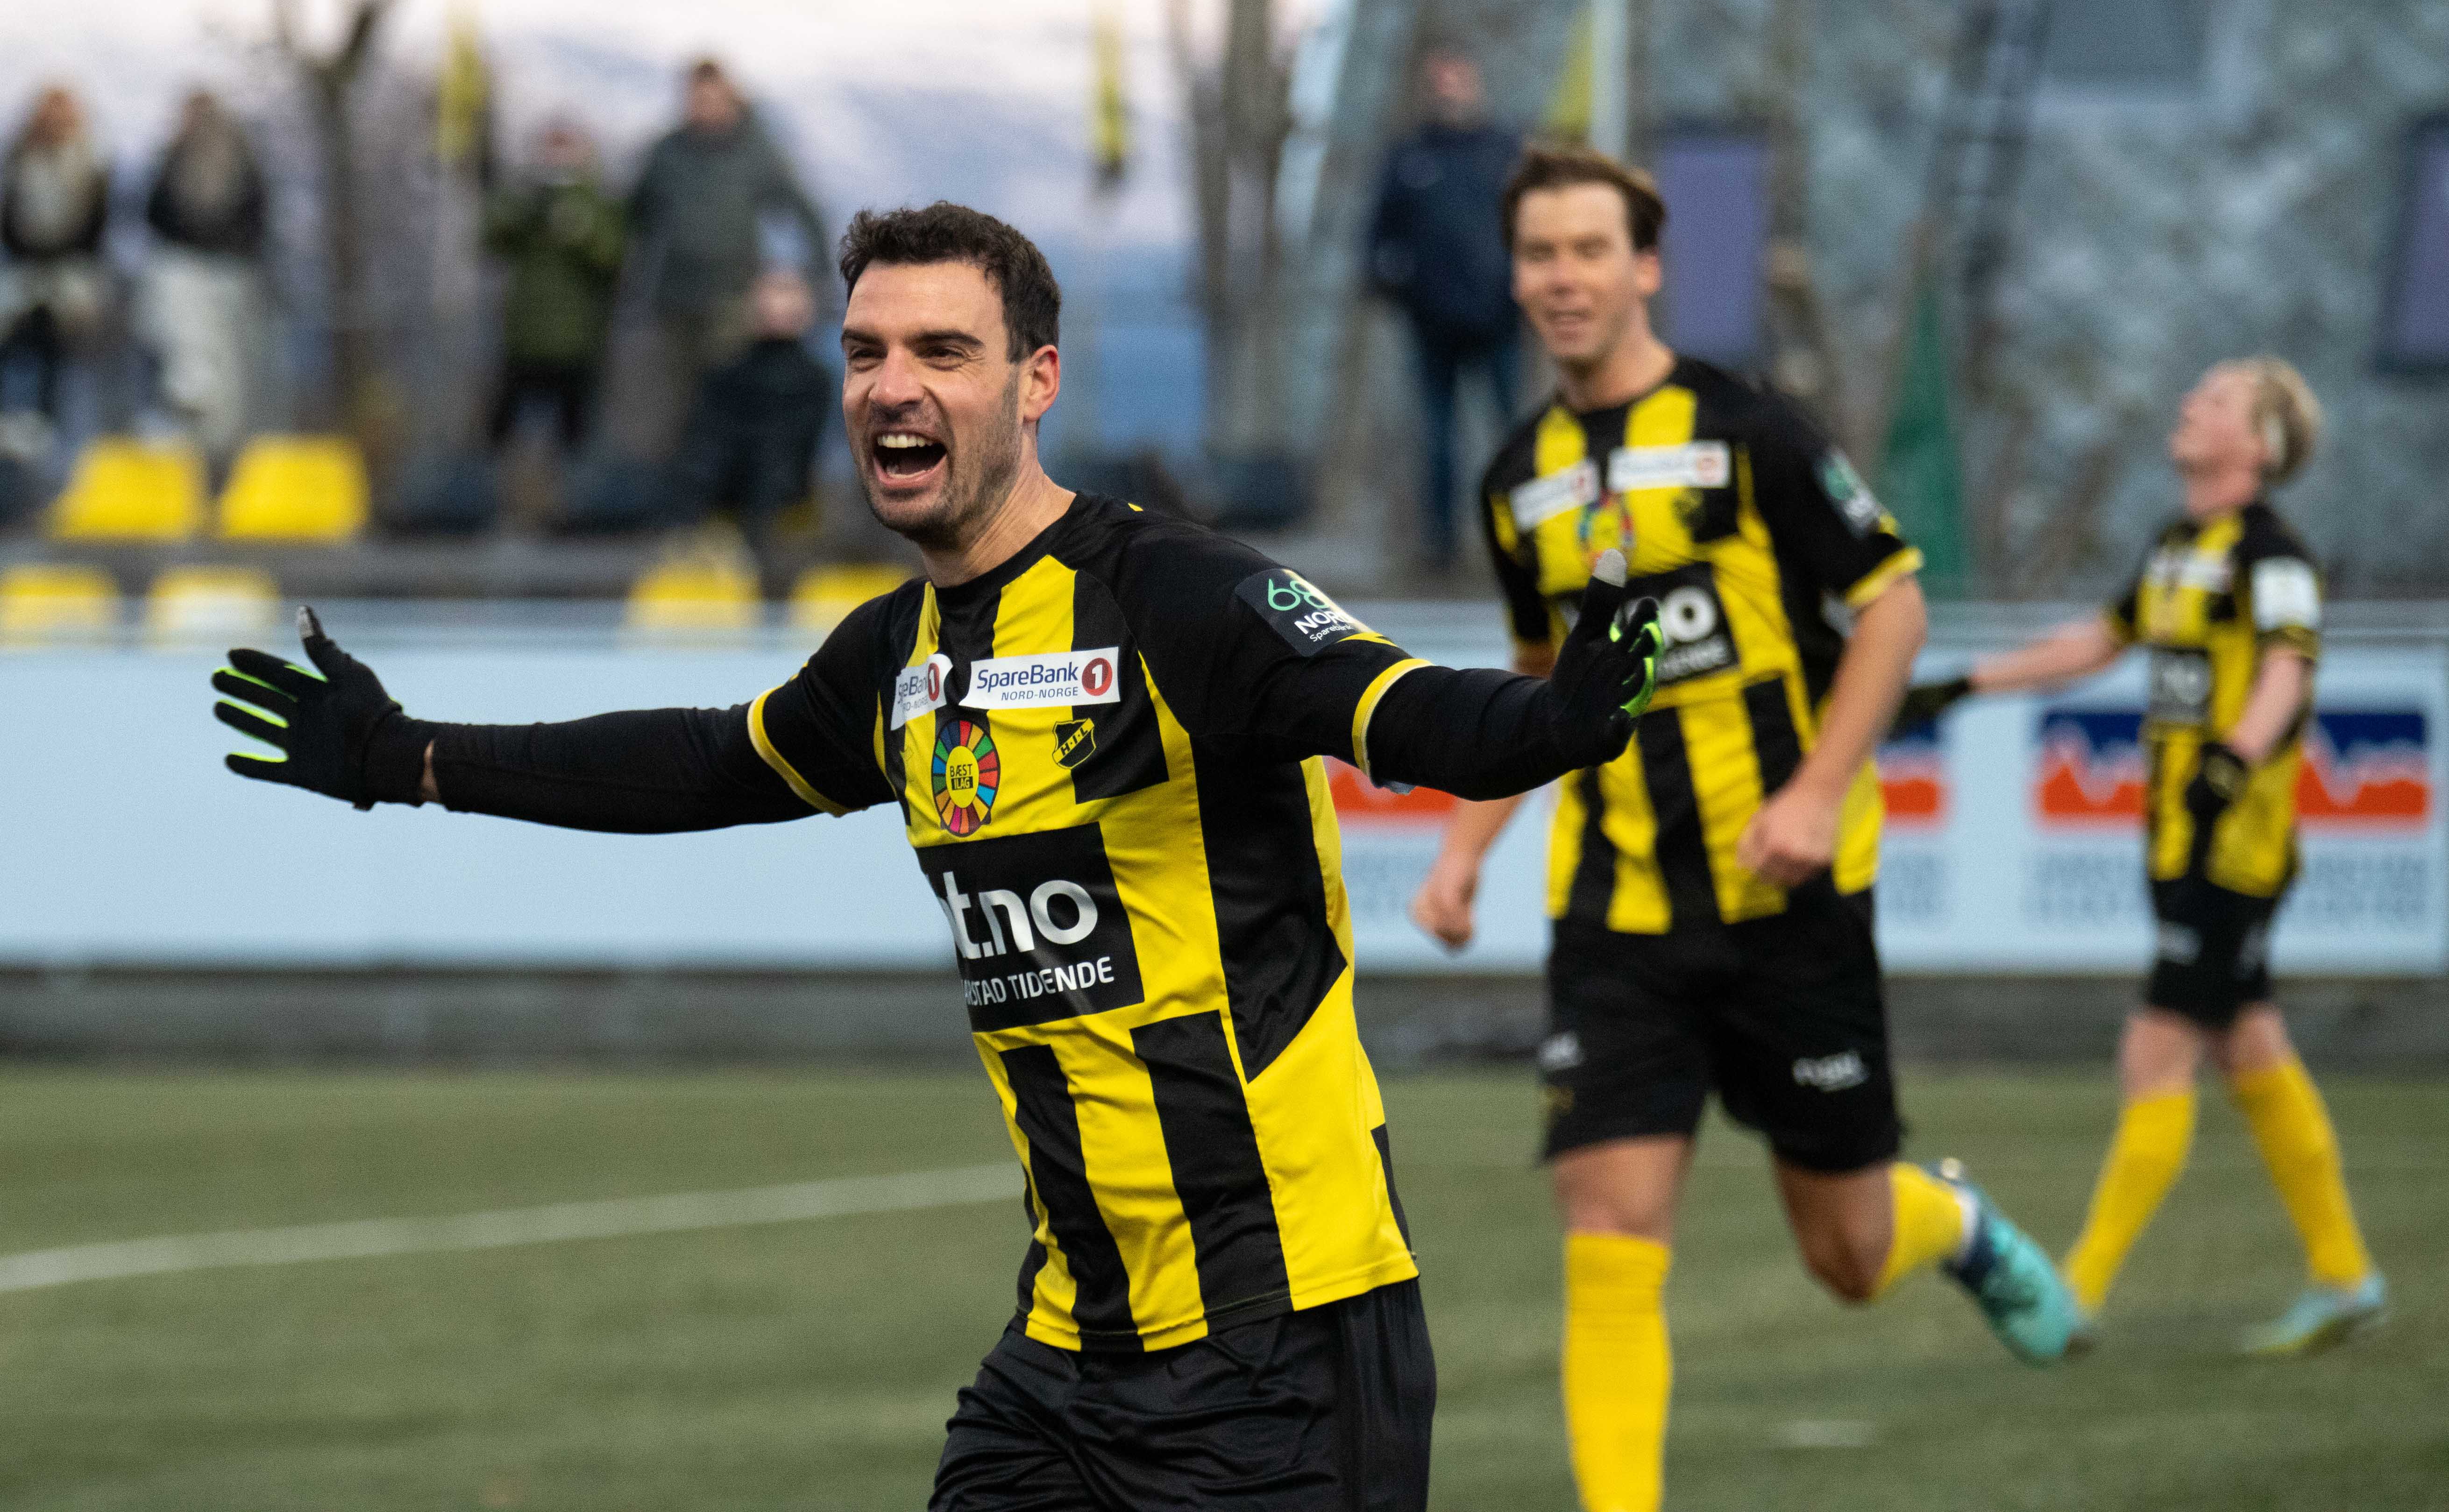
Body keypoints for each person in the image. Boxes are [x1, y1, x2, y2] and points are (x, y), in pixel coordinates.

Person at [211, 201, 1667, 1512]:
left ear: (1037, 382)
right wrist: (407, 757)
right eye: (865, 352)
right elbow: (704, 763)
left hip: (1282, 1340)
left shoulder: (1177, 597)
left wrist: (1554, 717)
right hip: (1067, 1354)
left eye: (942, 351)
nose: (890, 385)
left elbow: (1399, 707)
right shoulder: (894, 657)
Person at [1406, 145, 2079, 1512]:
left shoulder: (1752, 430)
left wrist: (1816, 790)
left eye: (1589, 249)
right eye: (1538, 253)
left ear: (1645, 266)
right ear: (1516, 277)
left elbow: (1892, 607)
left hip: (1789, 902)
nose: (1562, 277)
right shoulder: (1515, 476)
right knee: (1608, 1222)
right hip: (1616, 912)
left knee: (1847, 1252)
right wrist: (1465, 851)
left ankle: (1953, 1226)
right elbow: (1540, 680)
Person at [1898, 358, 2386, 1357]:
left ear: (2259, 445)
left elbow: (2287, 667)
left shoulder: (2271, 554)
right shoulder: (2175, 544)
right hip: (2174, 840)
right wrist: (1965, 684)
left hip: (2229, 847)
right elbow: (2098, 638)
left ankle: (2071, 1292)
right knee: (2248, 1046)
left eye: (2214, 400)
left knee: (2154, 1049)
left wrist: (2231, 758)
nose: (2188, 406)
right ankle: (2344, 1275)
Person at [1365, 47, 1524, 572]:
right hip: (1432, 324)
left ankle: (1520, 539)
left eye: (1458, 80)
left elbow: (1530, 226)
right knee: (1437, 441)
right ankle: (1441, 546)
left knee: (1512, 435)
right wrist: (1396, 287)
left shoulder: (1503, 152)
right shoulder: (1410, 156)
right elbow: (1378, 234)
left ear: (1474, 84)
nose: (1449, 91)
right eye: (1440, 82)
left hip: (1498, 320)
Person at [619, 59, 826, 457]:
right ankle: (675, 482)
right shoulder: (668, 151)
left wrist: (811, 277)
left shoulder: (755, 151)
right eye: (696, 99)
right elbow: (633, 214)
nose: (704, 107)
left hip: (732, 301)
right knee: (671, 405)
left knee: (725, 401)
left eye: (713, 99)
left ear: (730, 99)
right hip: (672, 299)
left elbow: (803, 210)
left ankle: (723, 482)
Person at [667, 265, 829, 573]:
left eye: (787, 293)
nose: (779, 305)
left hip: (780, 517)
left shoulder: (816, 382)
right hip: (740, 516)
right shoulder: (728, 378)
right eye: (773, 293)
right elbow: (705, 454)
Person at [482, 116, 626, 459]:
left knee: (574, 438)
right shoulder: (526, 197)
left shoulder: (599, 201)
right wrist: (522, 212)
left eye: (566, 146)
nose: (557, 156)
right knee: (499, 435)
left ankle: (573, 489)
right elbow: (492, 242)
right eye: (551, 146)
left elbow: (613, 259)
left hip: (579, 340)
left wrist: (583, 233)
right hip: (523, 337)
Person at [139, 89, 270, 466]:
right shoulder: (170, 158)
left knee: (226, 361)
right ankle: (184, 414)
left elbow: (255, 214)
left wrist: (223, 244)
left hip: (229, 271)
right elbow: (154, 213)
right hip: (182, 267)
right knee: (181, 340)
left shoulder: (241, 158)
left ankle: (221, 449)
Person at [0, 85, 111, 450]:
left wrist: (63, 257)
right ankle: (15, 419)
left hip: (71, 270)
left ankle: (61, 430)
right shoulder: (19, 160)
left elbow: (95, 225)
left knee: (65, 340)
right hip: (24, 267)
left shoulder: (90, 163)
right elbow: (10, 220)